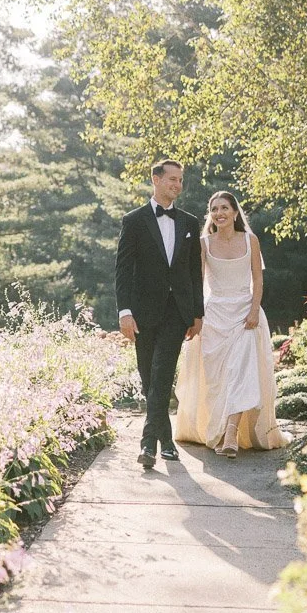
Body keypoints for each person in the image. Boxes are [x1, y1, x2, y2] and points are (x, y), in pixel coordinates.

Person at [175, 190, 284, 457]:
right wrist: (195, 316)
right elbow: (197, 282)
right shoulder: (204, 243)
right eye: (214, 209)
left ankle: (233, 431)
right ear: (210, 215)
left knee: (242, 371)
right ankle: (220, 430)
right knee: (218, 379)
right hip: (214, 316)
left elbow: (257, 279)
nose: (219, 213)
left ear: (235, 212)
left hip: (245, 314)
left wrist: (254, 311)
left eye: (225, 208)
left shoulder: (251, 240)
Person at [116, 159, 204, 469]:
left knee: (163, 370)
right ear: (155, 179)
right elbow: (123, 270)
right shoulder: (134, 220)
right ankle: (165, 441)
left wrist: (197, 313)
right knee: (148, 376)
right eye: (172, 179)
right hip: (142, 312)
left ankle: (146, 444)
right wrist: (124, 311)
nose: (178, 185)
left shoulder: (190, 222)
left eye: (181, 180)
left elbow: (195, 271)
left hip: (177, 312)